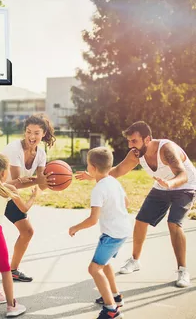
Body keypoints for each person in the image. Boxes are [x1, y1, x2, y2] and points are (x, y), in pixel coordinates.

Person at [76, 121, 196, 288]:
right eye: (129, 141)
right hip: (162, 186)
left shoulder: (167, 149)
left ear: (147, 139)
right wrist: (94, 176)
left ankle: (183, 270)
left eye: (134, 141)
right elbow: (118, 171)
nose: (131, 145)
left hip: (184, 186)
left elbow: (182, 174)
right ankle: (135, 260)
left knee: (174, 223)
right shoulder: (136, 154)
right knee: (140, 221)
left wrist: (170, 184)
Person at [0, 113, 56, 298]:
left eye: (36, 132)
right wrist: (39, 180)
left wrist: (52, 181)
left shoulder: (41, 154)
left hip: (9, 192)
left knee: (27, 231)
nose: (31, 136)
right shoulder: (14, 149)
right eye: (28, 132)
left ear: (43, 134)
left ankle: (13, 270)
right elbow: (17, 182)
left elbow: (41, 183)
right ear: (24, 132)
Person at [69, 147, 131, 319]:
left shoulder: (98, 190)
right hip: (123, 230)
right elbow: (126, 202)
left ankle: (111, 309)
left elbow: (92, 220)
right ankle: (116, 297)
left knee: (94, 269)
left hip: (112, 235)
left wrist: (75, 227)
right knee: (105, 263)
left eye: (88, 164)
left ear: (93, 168)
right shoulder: (113, 181)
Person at [0, 153, 39, 317]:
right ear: (4, 172)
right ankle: (12, 306)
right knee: (5, 269)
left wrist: (16, 182)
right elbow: (24, 209)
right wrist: (33, 196)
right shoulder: (8, 189)